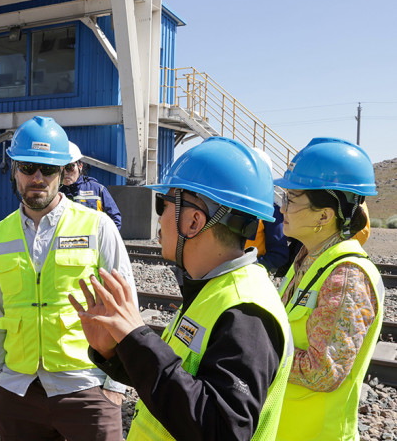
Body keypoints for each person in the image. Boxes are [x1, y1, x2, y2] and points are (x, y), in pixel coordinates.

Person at [70, 136, 293, 440]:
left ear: (193, 221)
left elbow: (222, 429)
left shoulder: (246, 314)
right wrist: (115, 351)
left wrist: (139, 338)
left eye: (163, 206)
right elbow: (178, 386)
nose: (159, 220)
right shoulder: (211, 288)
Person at [0, 116, 137, 441]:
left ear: (63, 173)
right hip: (17, 390)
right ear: (14, 169)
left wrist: (116, 387)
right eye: (27, 167)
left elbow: (126, 307)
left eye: (48, 169)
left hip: (86, 386)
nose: (37, 177)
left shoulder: (97, 227)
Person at [274, 137, 384, 440]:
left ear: (324, 216)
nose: (281, 208)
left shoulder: (346, 278)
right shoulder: (309, 262)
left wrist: (258, 351)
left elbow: (323, 370)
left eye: (291, 200)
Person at [244, 149, 290, 275]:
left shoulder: (271, 209)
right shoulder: (227, 202)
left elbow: (278, 254)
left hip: (251, 277)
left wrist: (249, 268)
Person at [60, 141, 122, 230]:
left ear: (80, 166)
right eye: (61, 168)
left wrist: (103, 240)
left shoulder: (98, 190)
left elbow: (115, 220)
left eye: (69, 167)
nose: (65, 173)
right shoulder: (54, 192)